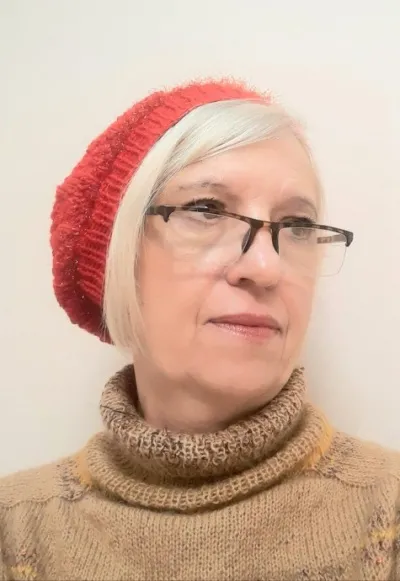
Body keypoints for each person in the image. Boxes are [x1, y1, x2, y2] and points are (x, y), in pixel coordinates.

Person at [0, 78, 399, 581]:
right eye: (206, 210)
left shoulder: (386, 514)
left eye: (297, 225)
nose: (266, 267)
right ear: (117, 255)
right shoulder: (17, 531)